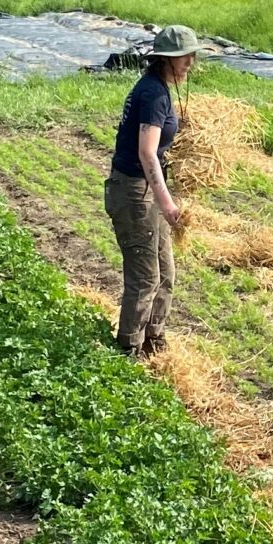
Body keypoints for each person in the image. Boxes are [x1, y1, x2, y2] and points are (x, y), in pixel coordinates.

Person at [105, 24, 201, 357]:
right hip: (134, 193)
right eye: (184, 57)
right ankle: (128, 348)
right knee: (145, 277)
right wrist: (169, 206)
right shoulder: (153, 94)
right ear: (165, 59)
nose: (190, 62)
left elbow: (158, 138)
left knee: (166, 272)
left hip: (143, 191)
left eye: (191, 56)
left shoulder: (157, 89)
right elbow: (147, 152)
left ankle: (153, 339)